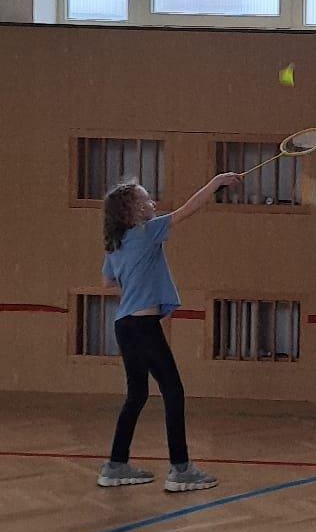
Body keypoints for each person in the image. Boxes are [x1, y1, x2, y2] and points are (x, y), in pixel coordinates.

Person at [96, 172, 239, 493]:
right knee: (173, 391)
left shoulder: (115, 245)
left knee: (137, 395)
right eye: (147, 199)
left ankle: (115, 465)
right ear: (134, 210)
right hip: (144, 327)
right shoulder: (146, 232)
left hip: (124, 325)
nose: (153, 203)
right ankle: (181, 469)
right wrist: (216, 182)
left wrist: (136, 284)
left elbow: (107, 282)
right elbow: (187, 210)